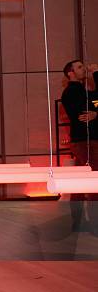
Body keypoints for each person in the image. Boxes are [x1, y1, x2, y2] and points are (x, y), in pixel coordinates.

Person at [60, 60, 98, 231]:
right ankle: (91, 223)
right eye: (80, 67)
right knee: (92, 182)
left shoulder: (81, 91)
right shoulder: (72, 92)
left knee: (81, 183)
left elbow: (94, 104)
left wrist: (96, 112)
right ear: (71, 73)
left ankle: (79, 222)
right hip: (85, 142)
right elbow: (86, 111)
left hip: (86, 141)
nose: (84, 69)